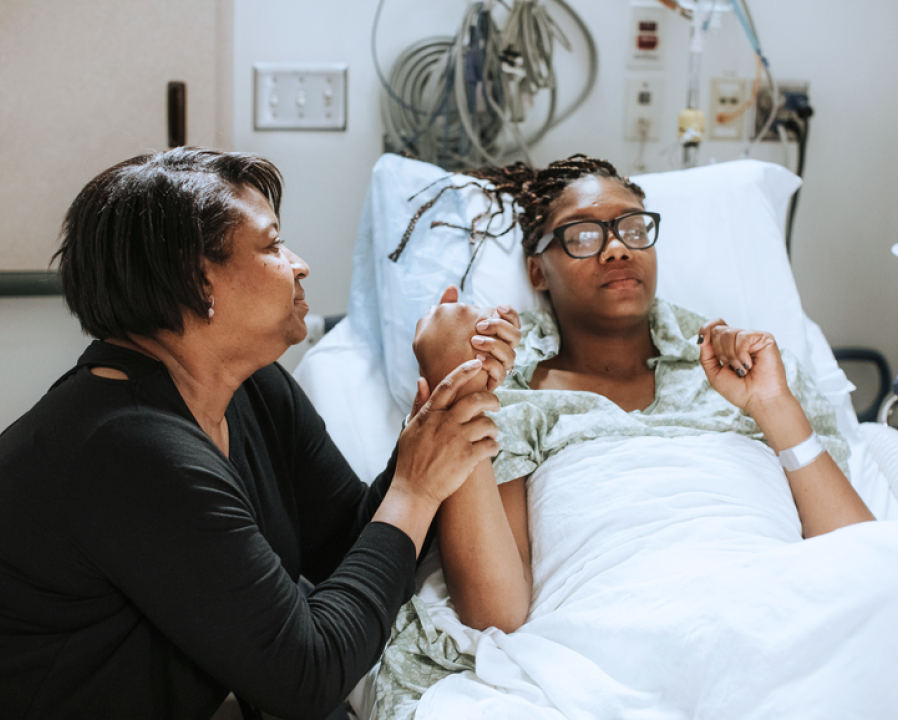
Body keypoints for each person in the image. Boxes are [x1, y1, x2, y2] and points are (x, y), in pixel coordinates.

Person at [370, 156, 898, 719]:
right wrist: (461, 387)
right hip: (623, 628)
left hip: (779, 601)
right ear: (536, 270)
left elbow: (861, 553)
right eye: (583, 235)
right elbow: (496, 612)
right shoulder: (514, 400)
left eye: (632, 227)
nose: (619, 246)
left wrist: (774, 407)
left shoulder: (751, 373)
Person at [0, 147, 521, 720]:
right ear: (197, 279)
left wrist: (432, 427)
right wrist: (415, 487)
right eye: (272, 245)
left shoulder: (250, 389)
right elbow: (308, 677)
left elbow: (350, 545)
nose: (298, 264)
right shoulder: (128, 449)